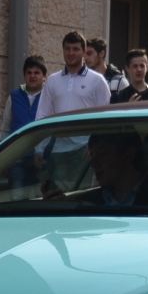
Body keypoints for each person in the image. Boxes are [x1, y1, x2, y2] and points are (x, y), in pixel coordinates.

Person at [34, 31, 111, 185]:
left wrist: (96, 145)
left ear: (83, 52)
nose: (71, 53)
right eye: (67, 49)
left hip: (85, 151)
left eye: (75, 49)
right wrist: (38, 148)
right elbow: (43, 114)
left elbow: (106, 117)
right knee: (60, 196)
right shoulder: (52, 81)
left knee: (82, 196)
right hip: (58, 150)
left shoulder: (97, 81)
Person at [69, 132, 148, 207]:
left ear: (129, 154)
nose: (93, 163)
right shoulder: (84, 202)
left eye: (102, 154)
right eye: (92, 155)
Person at [1, 55, 47, 137]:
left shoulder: (49, 97)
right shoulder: (14, 97)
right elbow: (5, 129)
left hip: (41, 149)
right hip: (17, 149)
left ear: (44, 76)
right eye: (29, 72)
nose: (32, 76)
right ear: (24, 75)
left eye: (36, 73)